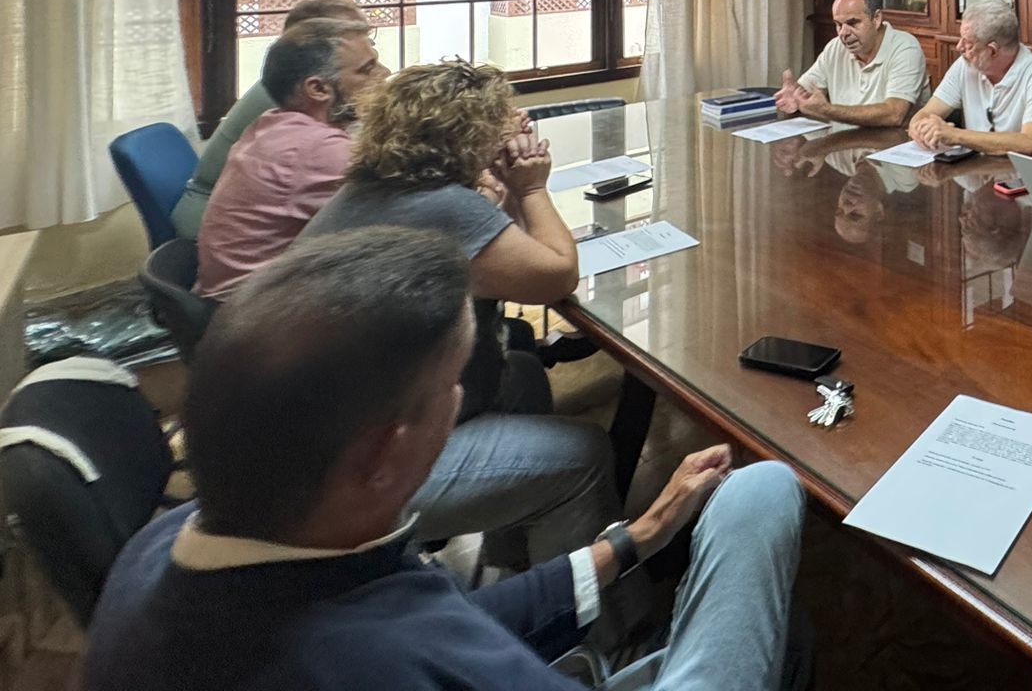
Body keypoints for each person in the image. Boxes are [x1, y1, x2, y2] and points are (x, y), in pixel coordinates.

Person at [85, 228, 806, 691]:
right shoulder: (389, 662)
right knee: (761, 492)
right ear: (384, 453)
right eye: (449, 388)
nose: (461, 401)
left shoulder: (157, 552)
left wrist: (634, 537)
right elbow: (450, 635)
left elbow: (464, 613)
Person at [298, 60, 613, 573]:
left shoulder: (379, 189)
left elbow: (500, 254)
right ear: (469, 137)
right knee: (586, 454)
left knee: (525, 375)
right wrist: (532, 189)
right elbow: (555, 274)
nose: (518, 123)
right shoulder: (441, 208)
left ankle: (514, 564)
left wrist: (502, 189)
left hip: (332, 433)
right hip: (353, 477)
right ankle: (600, 632)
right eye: (501, 120)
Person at [195, 18, 388, 299]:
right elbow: (411, 208)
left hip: (242, 302)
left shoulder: (274, 124)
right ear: (319, 89)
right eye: (367, 70)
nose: (385, 74)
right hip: (263, 318)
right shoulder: (315, 149)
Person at [173, 0, 370, 238]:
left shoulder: (286, 96)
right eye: (343, 34)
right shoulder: (289, 105)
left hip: (233, 219)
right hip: (209, 220)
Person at [908, 0, 1032, 162]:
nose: (959, 47)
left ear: (992, 50)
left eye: (968, 42)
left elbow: (1030, 144)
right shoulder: (965, 64)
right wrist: (920, 128)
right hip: (981, 169)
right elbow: (926, 113)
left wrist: (956, 135)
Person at [775, 0, 929, 127]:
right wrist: (795, 97)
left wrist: (827, 110)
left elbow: (894, 114)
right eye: (838, 24)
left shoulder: (905, 48)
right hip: (844, 145)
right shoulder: (836, 47)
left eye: (852, 23)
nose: (844, 33)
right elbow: (808, 94)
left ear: (876, 19)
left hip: (889, 148)